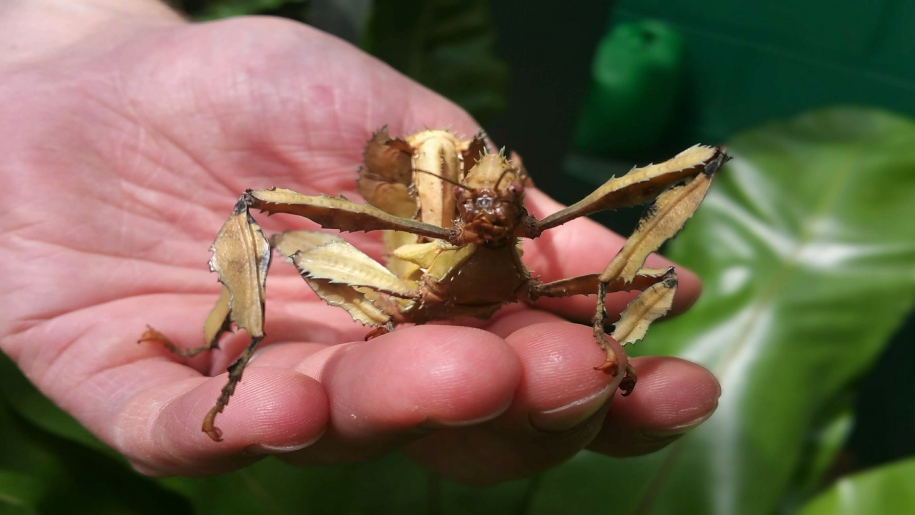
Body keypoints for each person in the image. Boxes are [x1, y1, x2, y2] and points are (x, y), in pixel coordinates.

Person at [0, 0, 719, 483]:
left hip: (507, 287)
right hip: (404, 283)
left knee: (653, 279)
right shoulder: (423, 209)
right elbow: (265, 219)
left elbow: (644, 267)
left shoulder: (511, 214)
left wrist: (603, 320)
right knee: (277, 231)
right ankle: (224, 344)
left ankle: (602, 329)